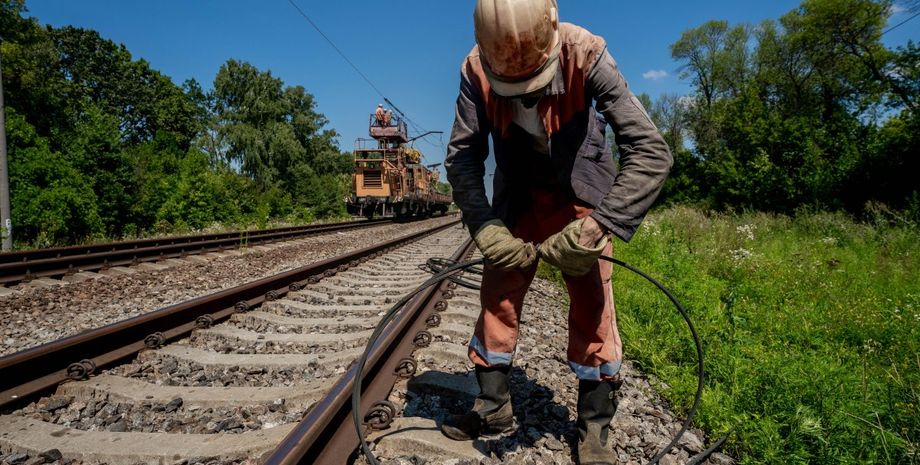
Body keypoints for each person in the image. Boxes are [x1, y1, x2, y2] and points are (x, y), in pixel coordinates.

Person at [441, 1, 672, 464]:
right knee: (498, 294)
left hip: (581, 196)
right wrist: (485, 226)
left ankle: (594, 427)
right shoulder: (474, 68)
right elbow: (463, 158)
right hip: (517, 198)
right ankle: (492, 409)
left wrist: (600, 224)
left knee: (593, 302)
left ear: (551, 33)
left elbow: (650, 151)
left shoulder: (587, 52)